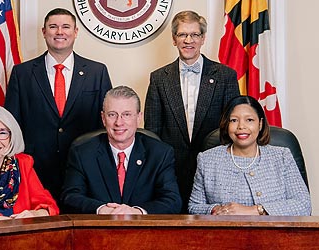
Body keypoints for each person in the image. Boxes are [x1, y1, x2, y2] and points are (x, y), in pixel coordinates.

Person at [4, 8, 112, 202]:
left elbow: (105, 122)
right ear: (44, 32)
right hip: (35, 171)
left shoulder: (97, 72)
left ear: (76, 32)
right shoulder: (22, 73)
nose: (59, 32)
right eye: (53, 27)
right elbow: (11, 124)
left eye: (65, 27)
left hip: (85, 169)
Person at [144, 10, 240, 212]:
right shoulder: (159, 78)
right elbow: (152, 131)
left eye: (195, 35)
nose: (189, 40)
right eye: (182, 35)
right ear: (174, 39)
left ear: (203, 38)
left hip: (216, 171)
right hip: (171, 171)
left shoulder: (225, 76)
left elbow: (234, 127)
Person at [60, 86, 181, 214]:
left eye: (126, 115)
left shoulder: (160, 153)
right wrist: (103, 210)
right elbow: (70, 198)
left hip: (144, 231)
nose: (119, 122)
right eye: (112, 115)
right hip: (98, 230)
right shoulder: (82, 153)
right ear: (103, 118)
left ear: (139, 117)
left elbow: (173, 201)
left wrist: (137, 212)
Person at [188, 96, 311, 216]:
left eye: (249, 120)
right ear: (227, 125)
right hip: (226, 235)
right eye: (234, 120)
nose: (241, 126)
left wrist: (255, 210)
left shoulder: (282, 157)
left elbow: (303, 204)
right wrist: (218, 209)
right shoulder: (207, 160)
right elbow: (194, 207)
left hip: (276, 235)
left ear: (260, 124)